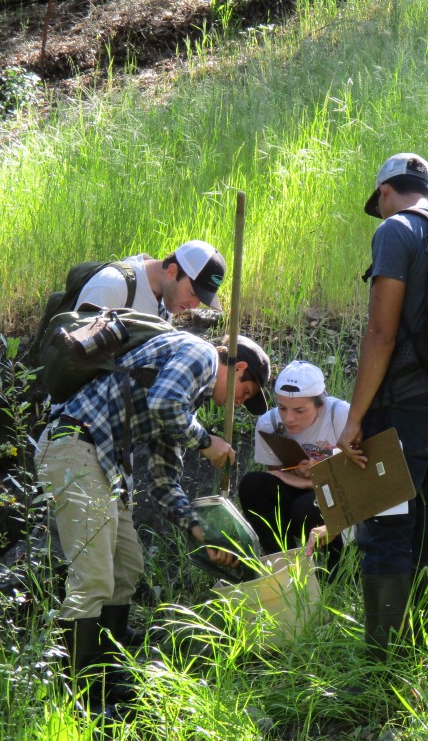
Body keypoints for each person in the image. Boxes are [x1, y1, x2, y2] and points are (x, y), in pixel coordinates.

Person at [34, 331, 270, 712]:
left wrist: (201, 533)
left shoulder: (185, 407)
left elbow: (164, 484)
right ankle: (78, 700)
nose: (242, 403)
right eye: (247, 391)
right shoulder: (202, 355)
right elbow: (164, 402)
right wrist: (207, 441)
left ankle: (106, 678)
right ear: (238, 367)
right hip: (74, 446)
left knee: (127, 566)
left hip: (106, 465)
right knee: (93, 577)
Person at [334, 152, 428, 659]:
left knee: (387, 526)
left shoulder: (395, 231)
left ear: (387, 193)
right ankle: (427, 642)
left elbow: (381, 333)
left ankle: (382, 663)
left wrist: (354, 419)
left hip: (400, 411)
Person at [239, 360, 349, 575]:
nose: (289, 418)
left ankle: (336, 570)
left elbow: (363, 473)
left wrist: (319, 477)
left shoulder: (340, 415)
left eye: (299, 410)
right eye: (282, 408)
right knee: (252, 485)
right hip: (300, 489)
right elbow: (275, 475)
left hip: (340, 497)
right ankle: (285, 566)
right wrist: (303, 477)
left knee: (307, 507)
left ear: (320, 404)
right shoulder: (268, 424)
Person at [75, 240, 226, 317]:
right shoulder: (112, 286)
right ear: (172, 270)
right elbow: (73, 354)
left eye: (201, 299)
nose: (194, 305)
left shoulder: (165, 304)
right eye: (193, 293)